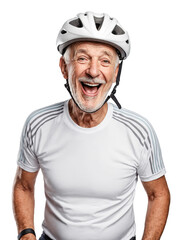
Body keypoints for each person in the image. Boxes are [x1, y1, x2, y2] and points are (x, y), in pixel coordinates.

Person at [13, 11, 170, 240]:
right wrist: (26, 233)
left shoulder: (139, 131)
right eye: (82, 58)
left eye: (105, 61)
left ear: (115, 72)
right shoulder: (38, 124)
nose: (94, 71)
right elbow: (23, 186)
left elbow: (159, 194)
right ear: (64, 67)